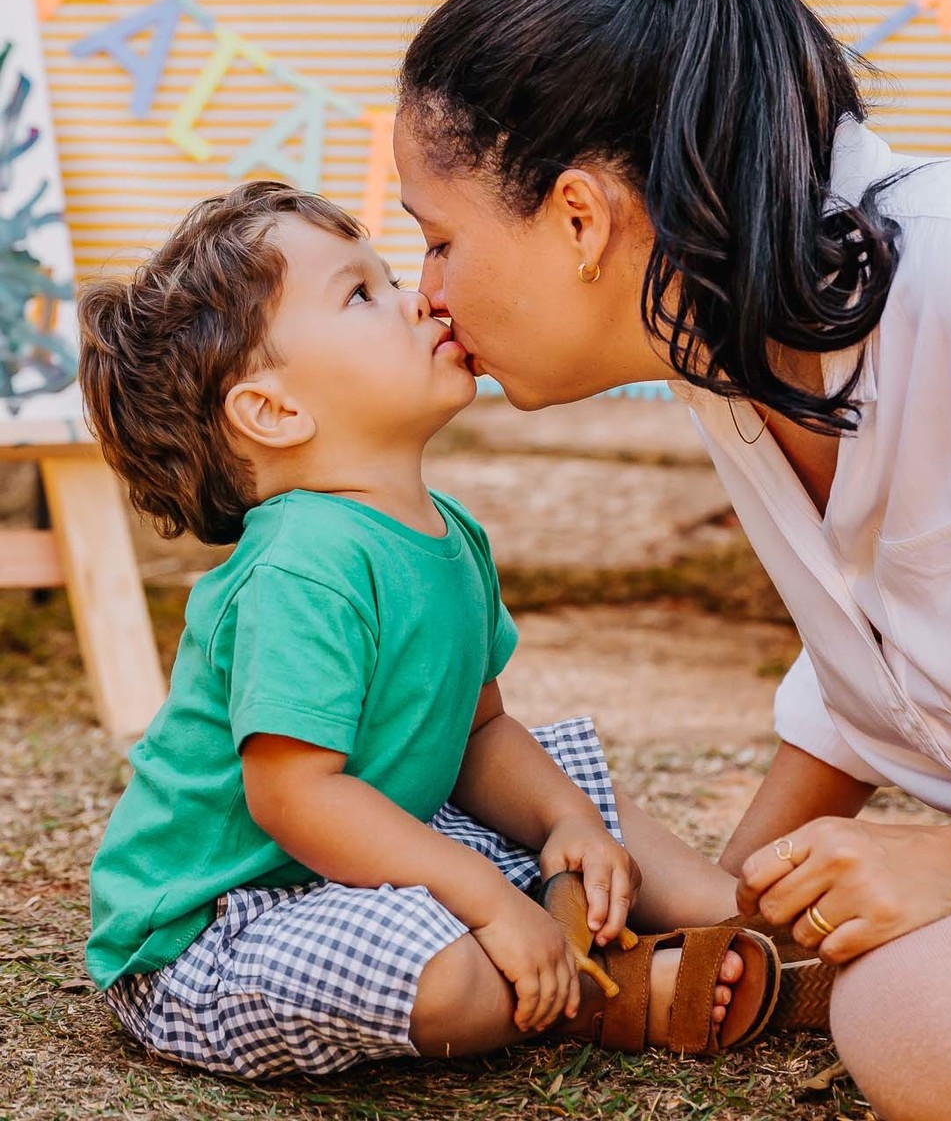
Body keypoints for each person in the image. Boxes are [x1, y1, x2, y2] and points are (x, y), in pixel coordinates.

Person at [394, 0, 951, 1121]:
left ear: (579, 219)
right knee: (927, 997)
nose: (426, 295)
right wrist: (738, 917)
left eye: (438, 240)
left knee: (929, 1014)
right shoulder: (729, 343)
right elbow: (878, 645)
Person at [77, 180, 794, 1080]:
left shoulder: (449, 534)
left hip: (362, 857)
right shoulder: (300, 564)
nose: (416, 297)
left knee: (586, 800)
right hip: (222, 926)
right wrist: (486, 897)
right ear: (274, 411)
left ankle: (758, 924)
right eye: (361, 294)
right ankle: (593, 993)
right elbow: (295, 799)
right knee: (444, 975)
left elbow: (479, 735)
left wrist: (568, 821)